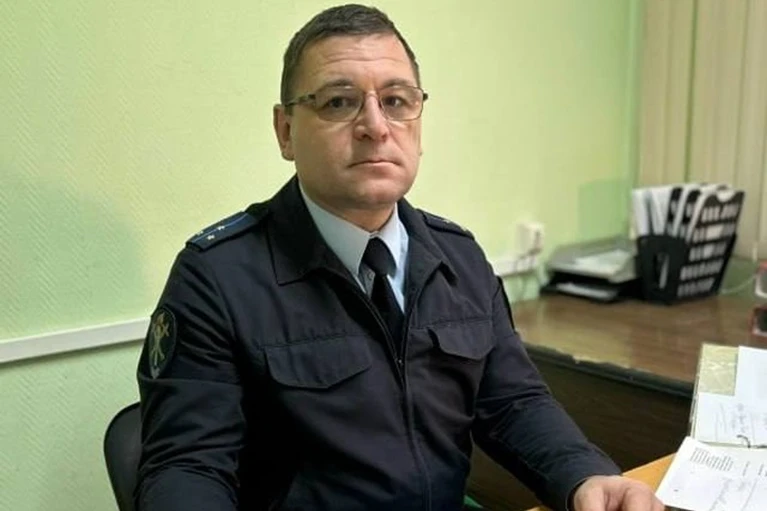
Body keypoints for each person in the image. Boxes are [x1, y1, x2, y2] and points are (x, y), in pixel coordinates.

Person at [135, 4, 664, 511]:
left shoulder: (458, 256)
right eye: (338, 102)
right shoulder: (218, 277)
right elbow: (188, 468)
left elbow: (513, 403)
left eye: (395, 101)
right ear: (286, 131)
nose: (376, 126)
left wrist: (583, 474)